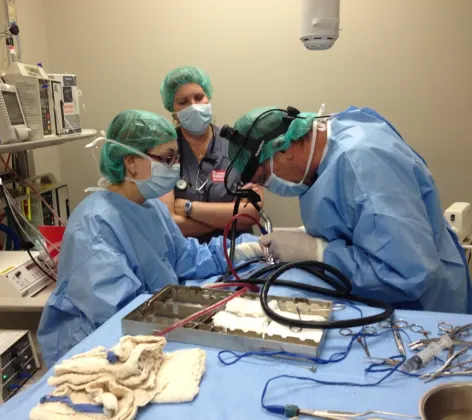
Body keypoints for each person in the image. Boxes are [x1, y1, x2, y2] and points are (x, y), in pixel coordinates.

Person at [37, 110, 257, 367]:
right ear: (131, 162)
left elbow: (184, 256)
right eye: (167, 158)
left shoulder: (150, 207)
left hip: (150, 329)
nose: (175, 166)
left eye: (177, 158)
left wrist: (244, 250)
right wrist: (194, 308)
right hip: (101, 351)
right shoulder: (95, 223)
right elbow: (120, 311)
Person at [227, 105, 471, 314]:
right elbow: (362, 221)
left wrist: (319, 252)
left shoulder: (363, 162)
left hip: (423, 311)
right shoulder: (330, 138)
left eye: (265, 176)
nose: (267, 186)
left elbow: (407, 272)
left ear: (285, 149)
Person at [159, 66, 263, 243]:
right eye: (183, 102)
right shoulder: (163, 152)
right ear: (173, 109)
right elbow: (170, 224)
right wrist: (229, 218)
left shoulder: (236, 144)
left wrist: (189, 207)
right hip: (187, 258)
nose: (194, 106)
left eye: (199, 97)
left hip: (240, 253)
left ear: (208, 97)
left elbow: (252, 213)